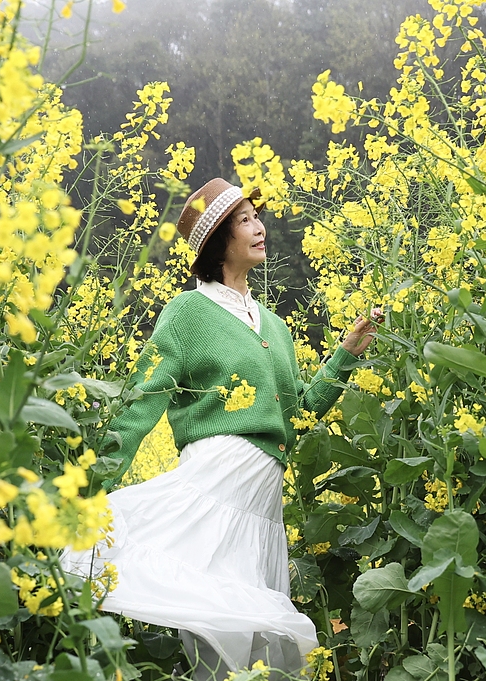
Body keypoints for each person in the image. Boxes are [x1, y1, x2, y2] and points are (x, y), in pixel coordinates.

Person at [64, 178, 376, 681]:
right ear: (218, 241)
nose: (260, 227)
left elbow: (299, 412)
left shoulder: (274, 326)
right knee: (219, 647)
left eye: (257, 216)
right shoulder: (187, 314)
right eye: (245, 220)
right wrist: (89, 488)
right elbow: (140, 405)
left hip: (261, 510)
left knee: (257, 656)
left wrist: (344, 355)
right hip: (214, 489)